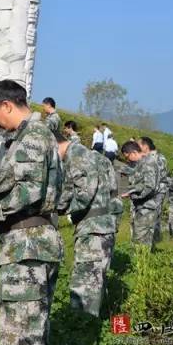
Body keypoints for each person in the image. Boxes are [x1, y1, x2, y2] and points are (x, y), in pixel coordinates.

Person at [0, 80, 64, 345]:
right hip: (32, 242)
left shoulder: (32, 136)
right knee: (31, 330)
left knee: (20, 337)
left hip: (27, 245)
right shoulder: (35, 135)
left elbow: (30, 190)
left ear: (6, 105)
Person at [55, 133, 115, 317]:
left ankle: (83, 329)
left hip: (93, 229)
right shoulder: (89, 155)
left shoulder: (77, 156)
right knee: (95, 281)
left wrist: (58, 209)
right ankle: (94, 325)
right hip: (100, 226)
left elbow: (84, 193)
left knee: (84, 286)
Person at [120, 141, 161, 251]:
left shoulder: (148, 163)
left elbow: (149, 186)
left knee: (139, 243)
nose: (127, 160)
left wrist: (131, 192)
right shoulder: (141, 164)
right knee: (142, 243)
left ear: (133, 152)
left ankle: (139, 266)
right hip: (142, 207)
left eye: (127, 157)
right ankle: (143, 265)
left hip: (146, 208)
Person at [137, 137, 168, 242]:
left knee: (154, 217)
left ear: (145, 146)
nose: (138, 148)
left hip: (157, 192)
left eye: (139, 145)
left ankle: (152, 242)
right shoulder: (147, 157)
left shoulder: (159, 158)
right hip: (150, 191)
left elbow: (158, 176)